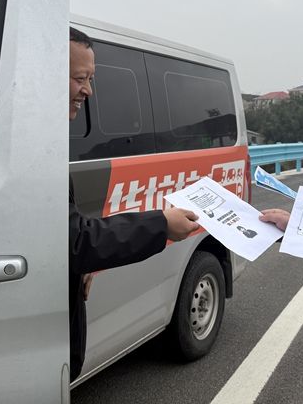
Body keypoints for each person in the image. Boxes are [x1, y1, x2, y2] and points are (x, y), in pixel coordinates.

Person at [68, 27, 201, 381]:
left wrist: (77, 263)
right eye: (80, 78)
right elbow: (74, 241)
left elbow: (65, 239)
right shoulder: (26, 143)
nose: (88, 91)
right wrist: (161, 224)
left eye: (91, 79)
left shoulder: (34, 133)